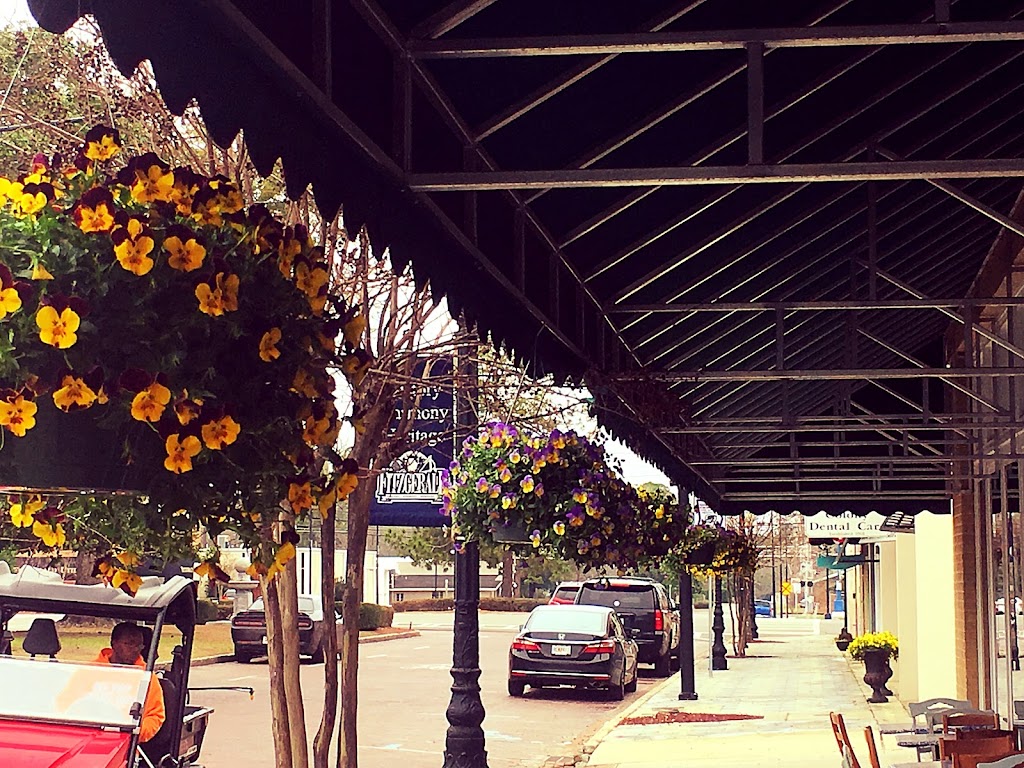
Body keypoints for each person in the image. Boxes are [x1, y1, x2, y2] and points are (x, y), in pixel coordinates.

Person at [94, 622, 166, 742]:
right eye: (130, 644)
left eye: (139, 645)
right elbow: (67, 704)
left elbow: (155, 715)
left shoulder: (146, 676)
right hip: (91, 736)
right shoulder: (91, 670)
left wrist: (134, 735)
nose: (135, 649)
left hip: (127, 743)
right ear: (114, 644)